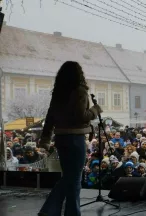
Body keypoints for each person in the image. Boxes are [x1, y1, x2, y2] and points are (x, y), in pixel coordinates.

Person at [37, 61, 103, 216]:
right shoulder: (80, 91)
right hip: (75, 138)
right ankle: (68, 213)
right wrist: (95, 110)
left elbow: (50, 116)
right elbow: (81, 116)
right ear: (79, 74)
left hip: (61, 139)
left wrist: (45, 140)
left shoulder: (58, 92)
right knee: (74, 180)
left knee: (69, 177)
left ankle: (51, 210)